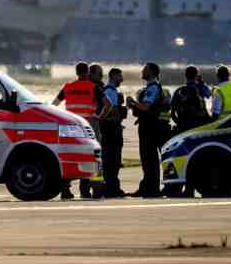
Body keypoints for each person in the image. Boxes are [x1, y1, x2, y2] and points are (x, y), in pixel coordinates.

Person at [126, 62, 171, 198]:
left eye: (144, 69)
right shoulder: (158, 89)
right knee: (153, 159)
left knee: (149, 159)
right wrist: (134, 106)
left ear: (151, 72)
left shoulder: (152, 88)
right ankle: (152, 186)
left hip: (150, 128)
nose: (142, 71)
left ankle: (151, 188)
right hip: (158, 126)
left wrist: (133, 102)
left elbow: (146, 107)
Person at [53, 62, 96, 199]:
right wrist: (99, 116)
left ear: (77, 73)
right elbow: (107, 104)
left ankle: (65, 190)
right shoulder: (92, 87)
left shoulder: (68, 87)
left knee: (68, 157)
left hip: (69, 126)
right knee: (87, 157)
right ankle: (84, 190)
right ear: (88, 72)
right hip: (86, 126)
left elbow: (54, 105)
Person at [97, 68, 127, 198]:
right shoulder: (110, 91)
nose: (121, 79)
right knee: (112, 160)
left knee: (112, 159)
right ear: (113, 76)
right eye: (119, 76)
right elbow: (112, 110)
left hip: (110, 129)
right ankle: (111, 188)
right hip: (111, 130)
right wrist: (119, 114)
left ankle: (112, 186)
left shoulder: (109, 90)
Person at [170, 65, 210, 134]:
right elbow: (208, 94)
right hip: (199, 126)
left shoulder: (178, 91)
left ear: (185, 76)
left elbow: (172, 113)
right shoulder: (200, 88)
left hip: (183, 127)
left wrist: (180, 124)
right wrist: (201, 82)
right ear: (196, 75)